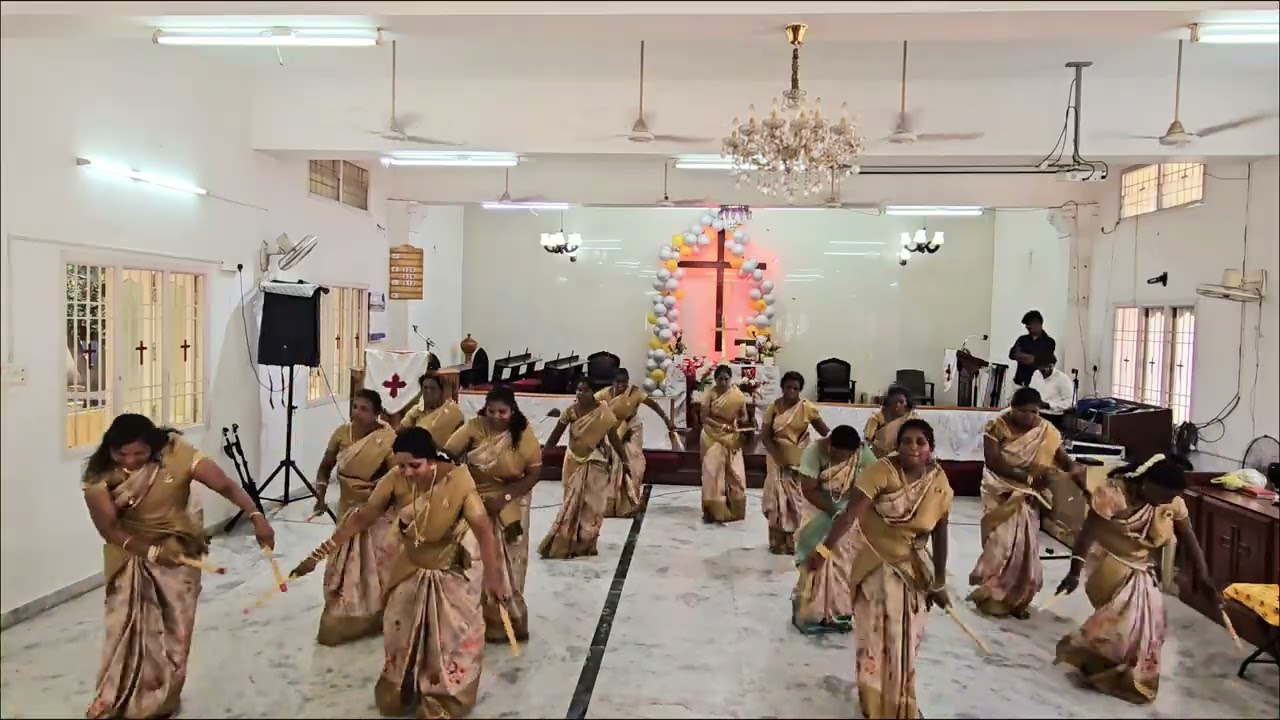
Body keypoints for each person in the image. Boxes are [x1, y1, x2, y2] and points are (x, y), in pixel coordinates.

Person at [290, 427, 509, 719]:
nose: (406, 472)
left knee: (451, 642)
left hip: (450, 572)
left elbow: (483, 530)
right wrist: (317, 555)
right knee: (398, 635)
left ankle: (445, 701)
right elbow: (364, 517)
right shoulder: (394, 479)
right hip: (407, 567)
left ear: (431, 460)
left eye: (413, 466)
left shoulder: (458, 481)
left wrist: (494, 578)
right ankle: (402, 691)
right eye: (401, 465)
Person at [82, 414, 277, 719]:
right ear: (110, 449)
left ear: (154, 447)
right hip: (128, 555)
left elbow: (224, 485)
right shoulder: (99, 475)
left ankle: (162, 697)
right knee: (122, 629)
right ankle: (113, 696)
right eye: (122, 454)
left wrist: (256, 516)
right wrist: (150, 551)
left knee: (175, 630)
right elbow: (109, 530)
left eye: (139, 454)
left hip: (178, 552)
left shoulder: (177, 453)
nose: (131, 461)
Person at [804, 419, 953, 719]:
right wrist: (822, 550)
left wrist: (938, 580)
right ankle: (874, 703)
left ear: (931, 448)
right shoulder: (880, 472)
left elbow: (940, 529)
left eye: (920, 442)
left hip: (913, 572)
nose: (913, 447)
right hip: (876, 568)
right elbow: (848, 517)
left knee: (905, 642)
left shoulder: (938, 482)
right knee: (875, 639)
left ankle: (901, 699)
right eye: (907, 441)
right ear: (897, 445)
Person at [1053, 454, 1216, 705]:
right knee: (1121, 624)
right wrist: (1074, 572)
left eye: (1172, 496)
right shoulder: (1112, 495)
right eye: (1165, 495)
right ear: (1145, 483)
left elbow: (1189, 538)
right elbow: (1086, 535)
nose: (1168, 501)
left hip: (1140, 567)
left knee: (1151, 628)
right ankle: (1094, 662)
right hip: (1107, 561)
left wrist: (1204, 576)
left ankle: (1122, 674)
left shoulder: (1170, 502)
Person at [967, 387, 1085, 619]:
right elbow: (993, 462)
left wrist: (1075, 475)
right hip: (1000, 491)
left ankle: (1017, 599)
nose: (1032, 417)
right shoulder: (996, 427)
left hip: (1030, 496)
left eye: (1035, 412)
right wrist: (1026, 477)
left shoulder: (1045, 430)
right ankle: (993, 595)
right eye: (1025, 412)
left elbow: (1061, 458)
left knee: (1025, 549)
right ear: (1013, 408)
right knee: (999, 545)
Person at [444, 385, 542, 642]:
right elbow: (448, 455)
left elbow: (534, 473)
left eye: (503, 412)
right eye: (492, 411)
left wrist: (506, 497)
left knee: (511, 559)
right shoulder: (475, 427)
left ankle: (511, 619)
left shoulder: (522, 433)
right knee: (477, 558)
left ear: (513, 411)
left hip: (514, 500)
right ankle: (479, 620)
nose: (497, 416)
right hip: (479, 501)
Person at [311, 388, 398, 645]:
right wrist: (320, 494)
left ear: (376, 414)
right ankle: (344, 615)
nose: (357, 414)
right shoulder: (341, 434)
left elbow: (395, 477)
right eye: (355, 407)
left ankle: (373, 616)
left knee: (373, 566)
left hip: (375, 512)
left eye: (364, 409)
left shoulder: (388, 439)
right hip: (347, 508)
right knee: (344, 565)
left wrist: (377, 501)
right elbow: (326, 467)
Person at [791, 425, 876, 634]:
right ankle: (810, 611)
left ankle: (838, 612)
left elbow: (875, 479)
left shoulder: (861, 453)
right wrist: (834, 511)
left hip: (847, 512)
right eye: (838, 455)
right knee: (814, 557)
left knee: (843, 561)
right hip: (818, 510)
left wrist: (847, 513)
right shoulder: (813, 451)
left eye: (847, 456)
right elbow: (808, 489)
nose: (842, 460)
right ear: (830, 445)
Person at [538, 378, 630, 559]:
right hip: (573, 461)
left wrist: (625, 460)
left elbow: (613, 438)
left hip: (596, 461)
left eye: (585, 390)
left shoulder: (603, 412)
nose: (580, 393)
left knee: (593, 505)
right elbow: (554, 437)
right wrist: (540, 456)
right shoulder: (570, 412)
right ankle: (566, 541)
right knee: (571, 503)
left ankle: (586, 542)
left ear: (592, 393)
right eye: (578, 390)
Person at [761, 371, 831, 554]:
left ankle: (795, 541)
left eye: (796, 388)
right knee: (777, 502)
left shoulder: (806, 407)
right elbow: (765, 437)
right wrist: (779, 457)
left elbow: (825, 432)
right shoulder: (773, 408)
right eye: (788, 387)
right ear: (782, 388)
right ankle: (777, 541)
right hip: (776, 460)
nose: (791, 391)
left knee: (797, 502)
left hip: (799, 462)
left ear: (800, 390)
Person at [596, 368, 677, 518]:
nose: (621, 386)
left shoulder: (635, 392)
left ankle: (631, 502)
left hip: (632, 429)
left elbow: (653, 405)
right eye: (618, 382)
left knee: (634, 464)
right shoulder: (604, 394)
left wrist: (666, 419)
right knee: (613, 464)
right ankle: (610, 504)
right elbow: (590, 405)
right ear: (613, 382)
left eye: (624, 383)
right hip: (612, 431)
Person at [699, 364, 750, 524]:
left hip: (731, 437)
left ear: (730, 379)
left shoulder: (737, 396)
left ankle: (733, 509)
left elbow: (744, 417)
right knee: (712, 474)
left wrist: (741, 424)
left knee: (734, 473)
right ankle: (712, 511)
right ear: (715, 380)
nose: (723, 382)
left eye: (726, 379)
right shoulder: (710, 394)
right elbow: (704, 417)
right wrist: (721, 426)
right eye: (720, 379)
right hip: (711, 435)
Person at [400, 372, 466, 447]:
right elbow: (401, 432)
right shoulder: (417, 410)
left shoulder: (452, 410)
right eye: (425, 388)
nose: (428, 391)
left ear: (441, 391)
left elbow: (431, 434)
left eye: (432, 388)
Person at [862, 386, 920, 459]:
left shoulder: (913, 419)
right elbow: (868, 442)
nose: (897, 405)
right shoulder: (876, 419)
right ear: (888, 403)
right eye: (894, 402)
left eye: (901, 402)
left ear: (907, 404)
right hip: (879, 459)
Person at [1009, 310, 1056, 387]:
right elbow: (1012, 355)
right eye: (1026, 325)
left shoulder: (1049, 342)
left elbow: (1042, 361)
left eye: (1029, 325)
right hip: (1020, 383)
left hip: (1039, 385)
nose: (1027, 327)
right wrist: (1031, 359)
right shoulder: (1022, 339)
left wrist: (1022, 357)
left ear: (1038, 324)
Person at [1029, 353, 1075, 423]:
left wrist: (1049, 405)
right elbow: (1031, 391)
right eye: (1040, 369)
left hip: (1053, 417)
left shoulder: (1062, 379)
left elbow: (1071, 402)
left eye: (1045, 368)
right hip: (1037, 413)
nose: (1042, 372)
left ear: (1052, 365)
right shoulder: (1036, 374)